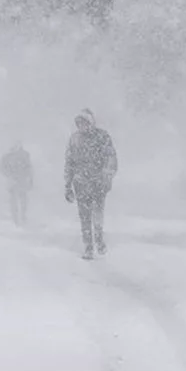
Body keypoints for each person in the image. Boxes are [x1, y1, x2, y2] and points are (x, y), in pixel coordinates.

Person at [63, 108, 117, 259]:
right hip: (80, 184)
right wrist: (68, 185)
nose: (82, 126)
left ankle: (99, 240)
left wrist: (107, 176)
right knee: (84, 217)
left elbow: (111, 158)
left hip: (98, 183)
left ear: (91, 122)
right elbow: (69, 163)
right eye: (79, 123)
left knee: (98, 214)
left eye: (84, 122)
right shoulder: (74, 139)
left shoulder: (102, 137)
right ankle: (88, 247)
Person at [0, 141, 34, 226]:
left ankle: (22, 217)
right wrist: (8, 174)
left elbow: (29, 167)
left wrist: (30, 179)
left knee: (22, 200)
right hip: (13, 181)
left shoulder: (25, 155)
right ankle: (16, 219)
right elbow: (1, 167)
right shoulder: (7, 156)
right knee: (14, 201)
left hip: (22, 180)